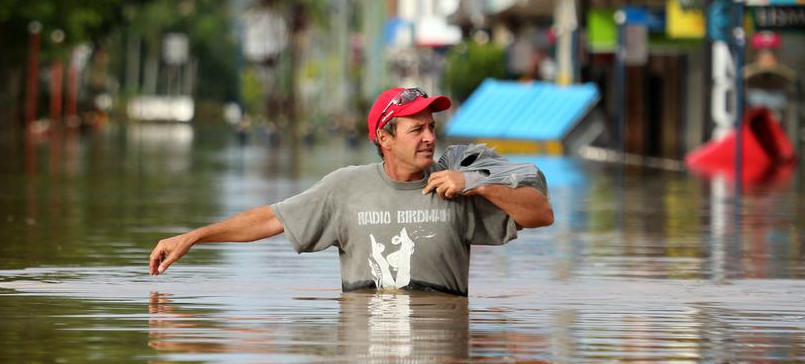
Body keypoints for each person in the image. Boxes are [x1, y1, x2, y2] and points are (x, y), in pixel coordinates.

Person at [148, 86, 554, 296]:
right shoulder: (346, 188)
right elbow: (271, 218)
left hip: (442, 318)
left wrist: (477, 183)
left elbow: (540, 214)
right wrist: (195, 236)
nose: (430, 137)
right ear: (385, 138)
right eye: (417, 129)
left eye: (432, 127)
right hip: (364, 316)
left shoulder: (458, 187)